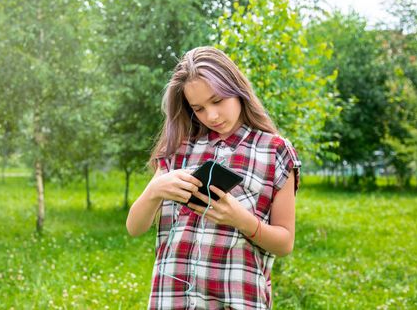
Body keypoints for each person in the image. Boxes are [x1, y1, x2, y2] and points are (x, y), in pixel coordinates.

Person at [126, 46, 301, 309]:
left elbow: (284, 243)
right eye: (198, 108)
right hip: (173, 299)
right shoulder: (178, 149)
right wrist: (154, 190)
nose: (212, 116)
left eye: (217, 101)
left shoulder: (274, 151)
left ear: (237, 88)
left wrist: (240, 220)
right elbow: (135, 227)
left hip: (238, 299)